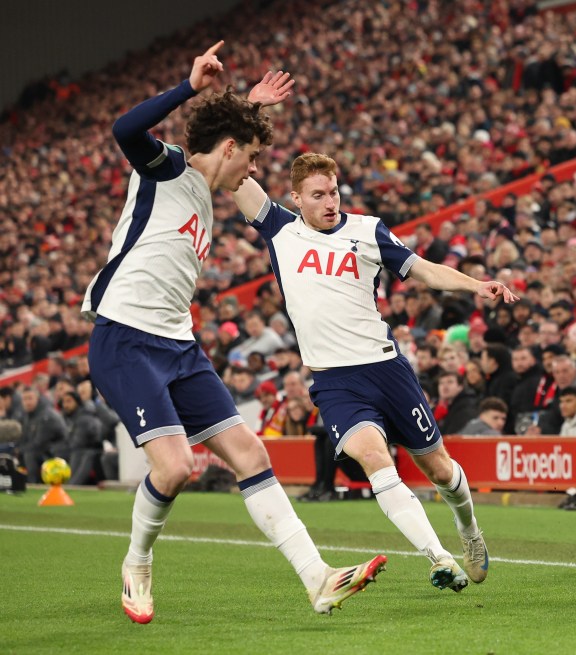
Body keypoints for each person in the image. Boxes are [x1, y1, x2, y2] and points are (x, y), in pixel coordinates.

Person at [80, 48, 384, 622]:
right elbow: (125, 128)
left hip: (177, 343)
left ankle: (317, 578)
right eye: (249, 158)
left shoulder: (209, 187)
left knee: (249, 451)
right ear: (227, 151)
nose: (251, 169)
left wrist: (245, 108)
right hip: (125, 336)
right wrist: (188, 87)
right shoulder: (167, 167)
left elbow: (223, 142)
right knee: (174, 468)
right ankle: (137, 564)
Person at [233, 151, 518, 593]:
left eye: (334, 192)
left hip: (386, 370)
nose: (330, 202)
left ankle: (469, 533)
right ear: (296, 198)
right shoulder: (280, 229)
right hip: (334, 381)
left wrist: (475, 284)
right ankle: (437, 556)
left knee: (440, 470)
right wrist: (248, 119)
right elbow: (233, 177)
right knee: (375, 460)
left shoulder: (367, 230)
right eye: (318, 195)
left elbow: (421, 269)